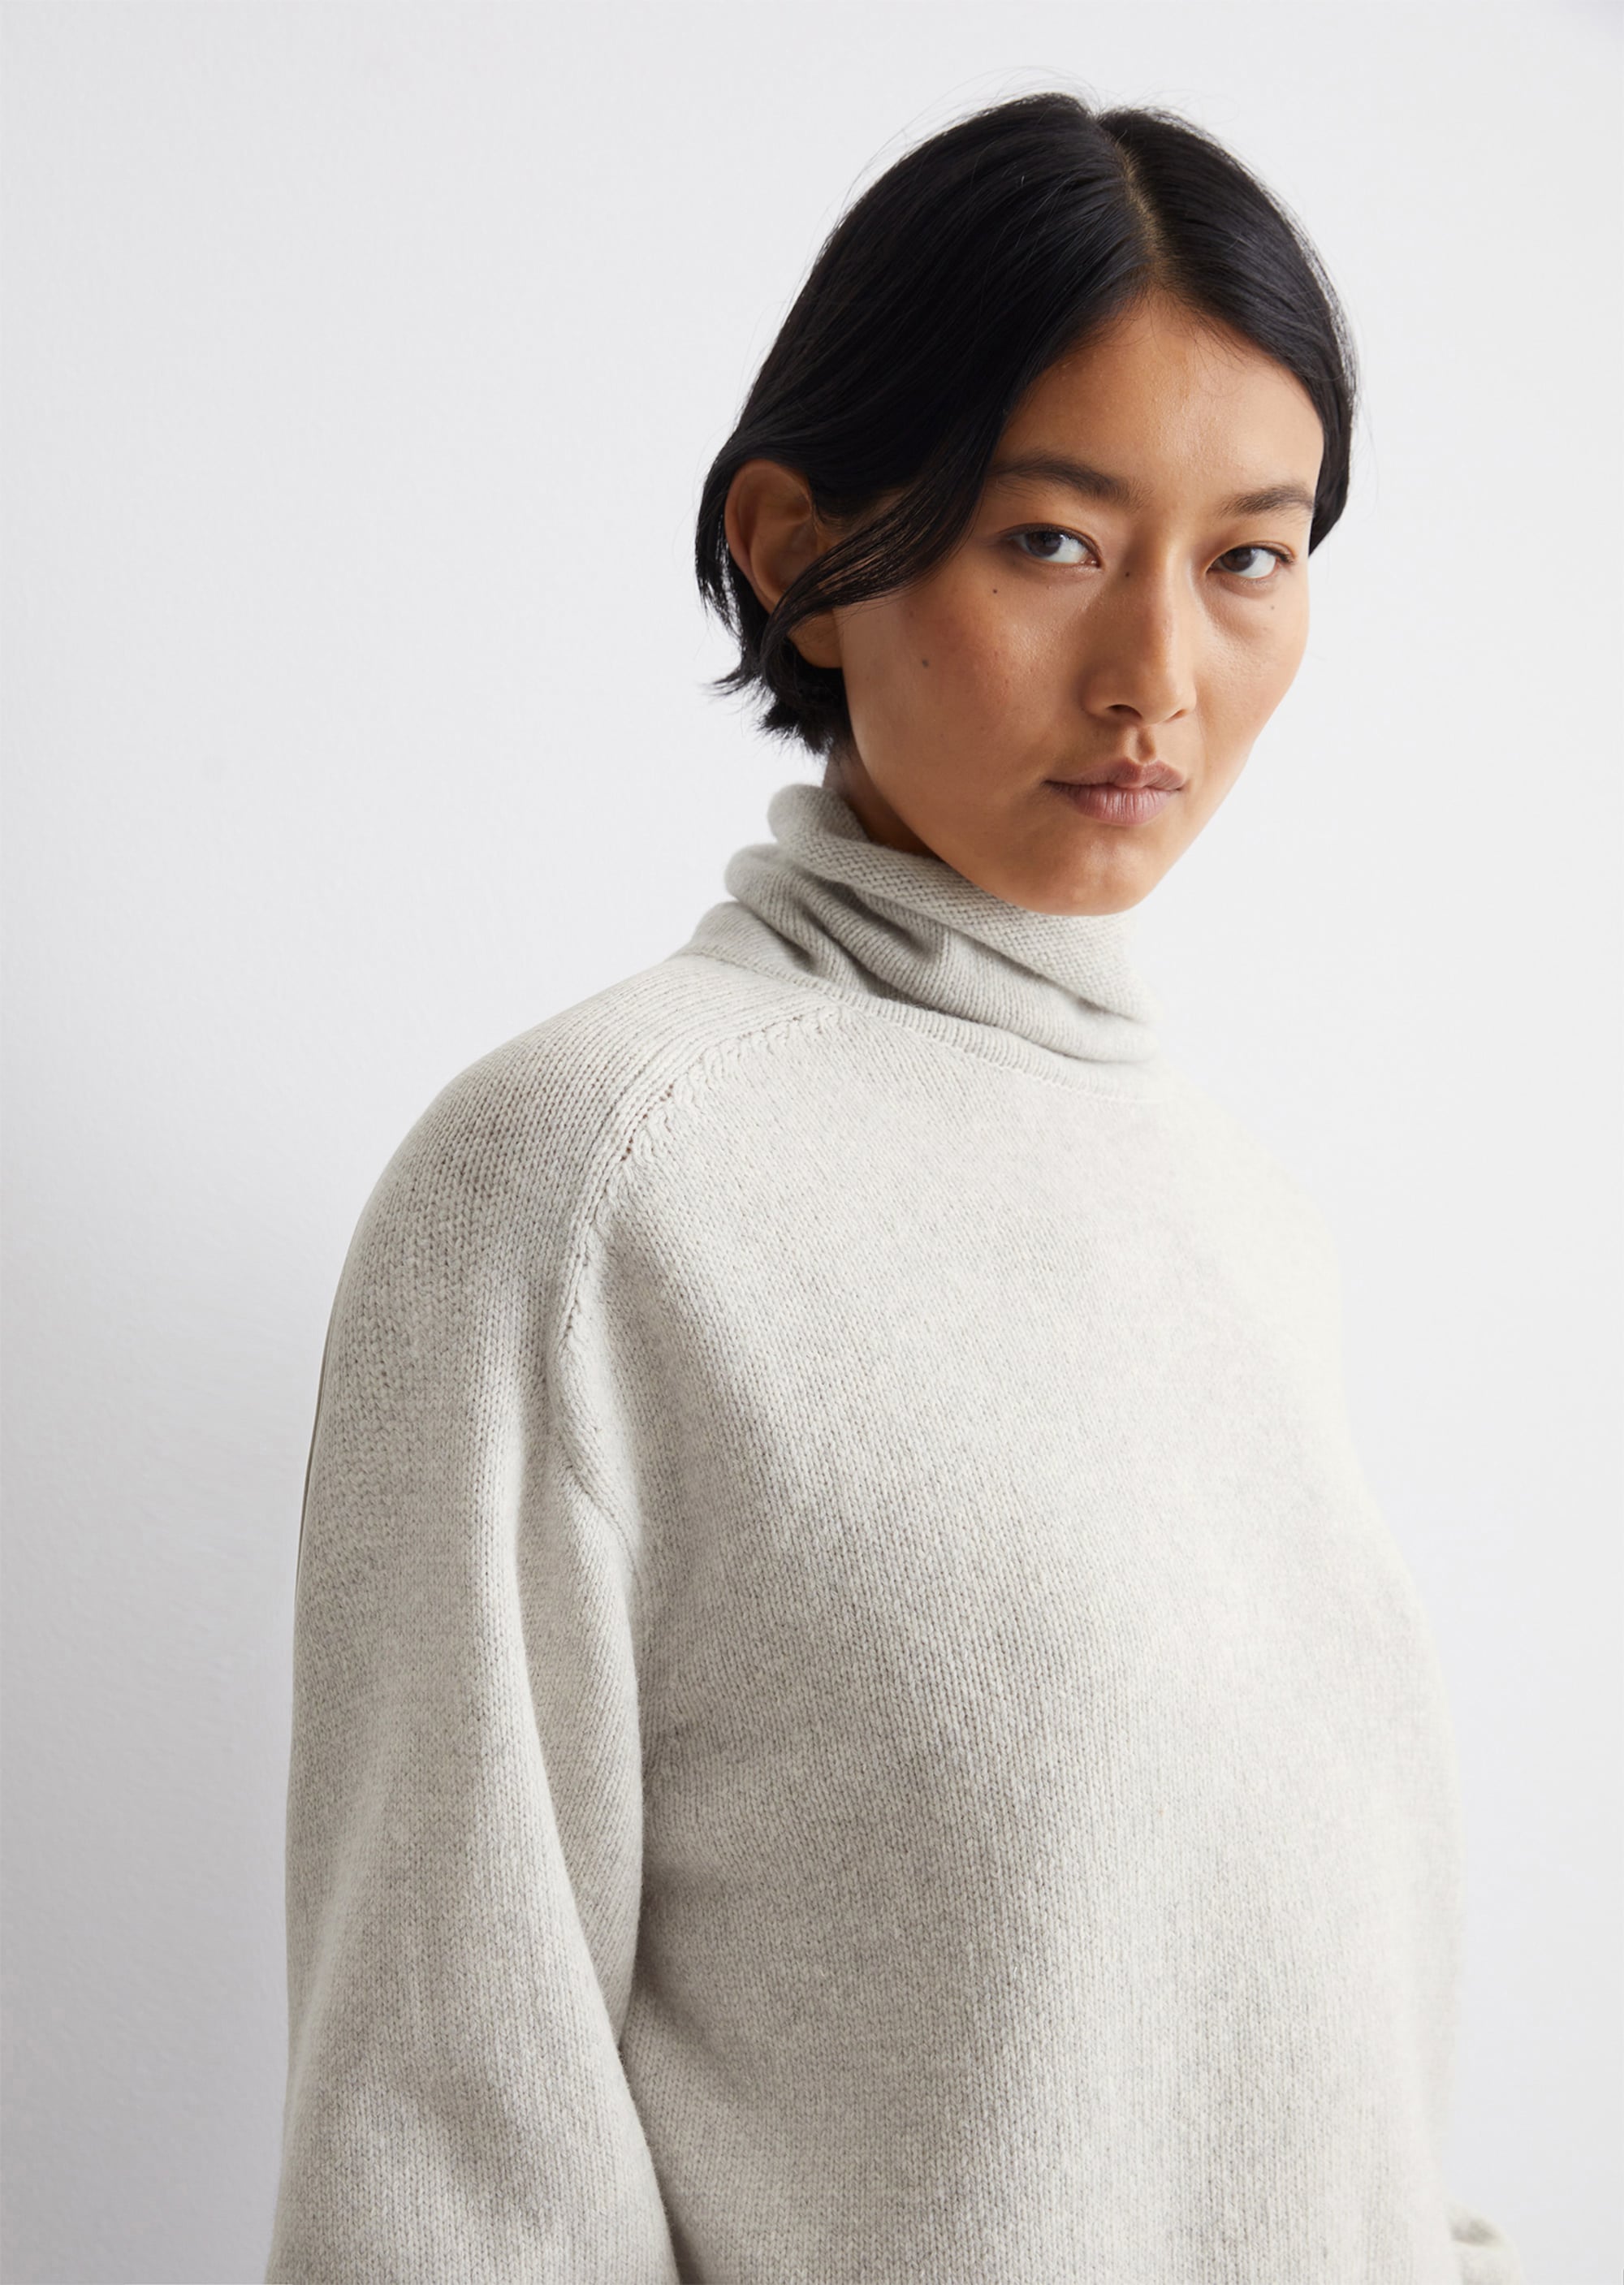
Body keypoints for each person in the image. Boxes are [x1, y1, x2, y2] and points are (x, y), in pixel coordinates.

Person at [264, 89, 1523, 2283]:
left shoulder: (1241, 1213)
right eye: (1052, 541)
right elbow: (444, 2155)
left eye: (1248, 556)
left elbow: (1331, 2100)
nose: (1157, 680)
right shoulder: (582, 1184)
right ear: (795, 552)